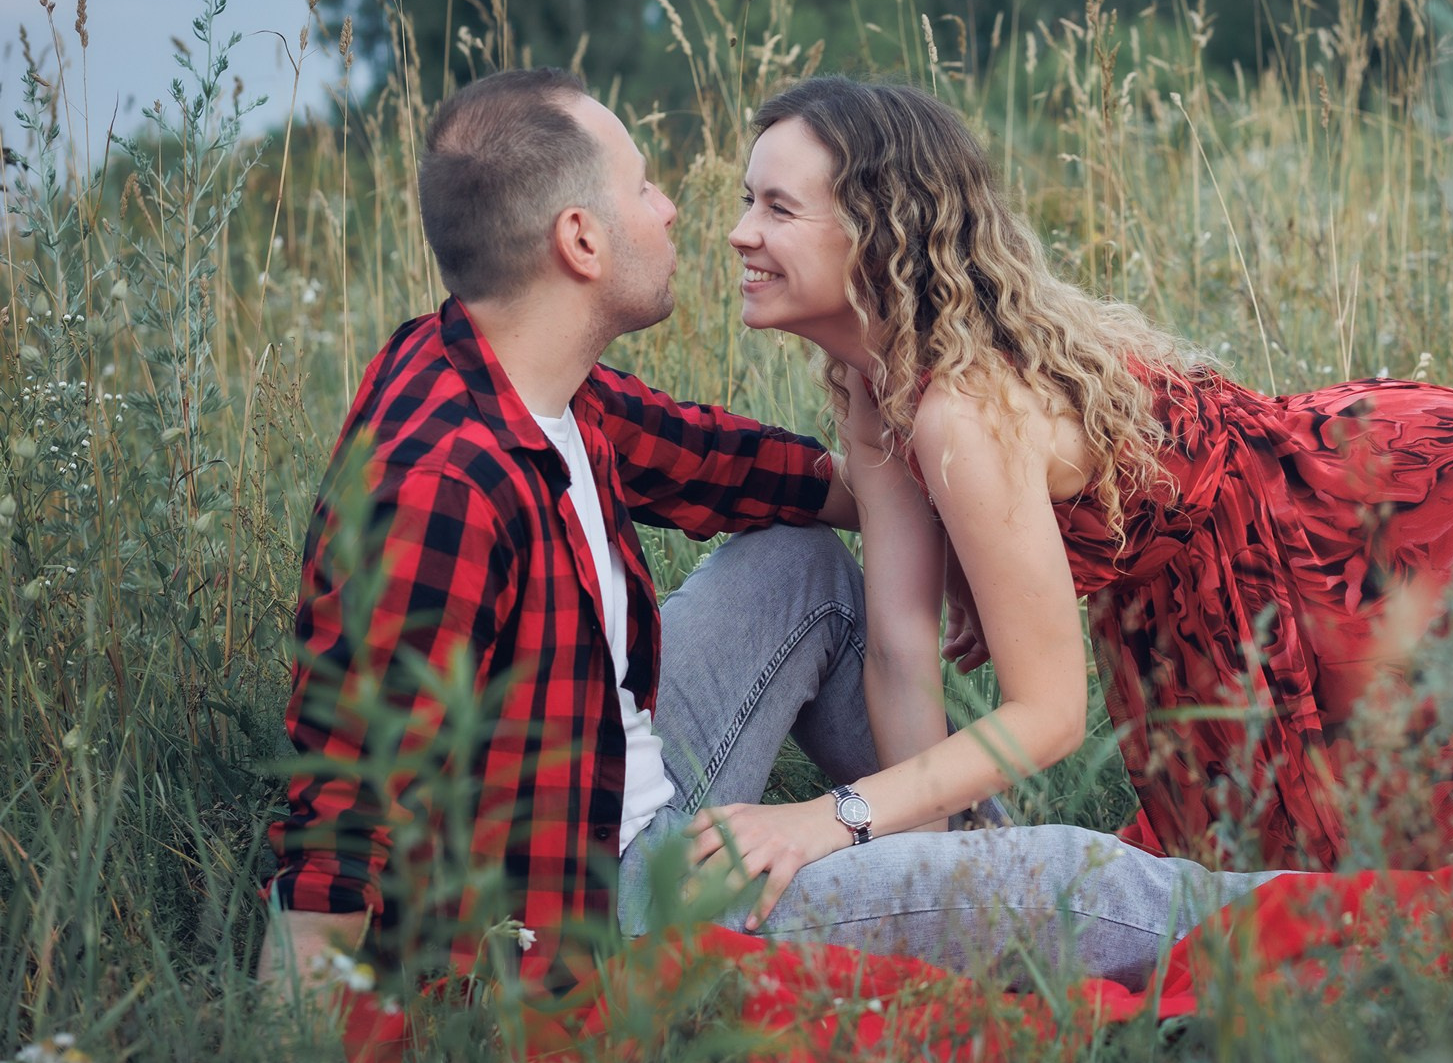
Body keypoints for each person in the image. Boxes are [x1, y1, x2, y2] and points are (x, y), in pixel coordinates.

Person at [695, 74, 1453, 918]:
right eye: (749, 198)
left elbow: (1048, 717)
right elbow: (901, 653)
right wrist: (949, 886)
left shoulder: (962, 409)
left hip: (1366, 525)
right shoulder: (875, 382)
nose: (740, 231)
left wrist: (831, 824)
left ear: (880, 229)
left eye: (776, 206)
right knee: (1422, 854)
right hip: (1212, 618)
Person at [257, 68, 1293, 1010]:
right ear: (580, 241)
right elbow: (339, 815)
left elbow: (734, 466)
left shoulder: (514, 379)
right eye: (648, 188)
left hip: (614, 783)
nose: (686, 217)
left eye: (767, 205)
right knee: (1065, 879)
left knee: (794, 564)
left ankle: (944, 856)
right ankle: (1338, 924)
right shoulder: (442, 482)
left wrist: (958, 480)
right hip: (595, 905)